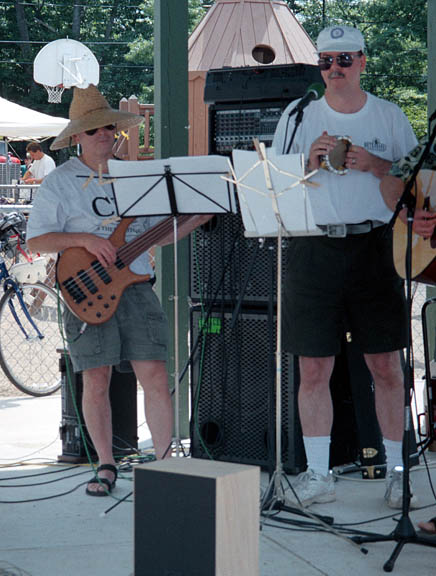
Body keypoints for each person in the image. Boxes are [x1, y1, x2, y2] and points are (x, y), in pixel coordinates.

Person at [26, 85, 210, 496]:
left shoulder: (136, 178)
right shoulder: (59, 181)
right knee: (96, 378)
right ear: (77, 137)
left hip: (136, 284)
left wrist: (199, 216)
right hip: (85, 289)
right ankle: (106, 464)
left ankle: (166, 466)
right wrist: (85, 242)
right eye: (94, 130)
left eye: (109, 127)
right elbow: (37, 241)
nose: (104, 135)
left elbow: (155, 237)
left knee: (156, 375)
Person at [272, 25, 418, 508]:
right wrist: (306, 164)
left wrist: (375, 165)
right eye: (326, 61)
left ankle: (397, 471)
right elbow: (271, 189)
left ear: (363, 61)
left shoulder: (390, 116)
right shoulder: (297, 117)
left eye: (344, 60)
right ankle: (319, 475)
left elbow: (417, 191)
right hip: (313, 247)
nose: (334, 70)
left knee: (385, 364)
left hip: (375, 247)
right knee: (312, 366)